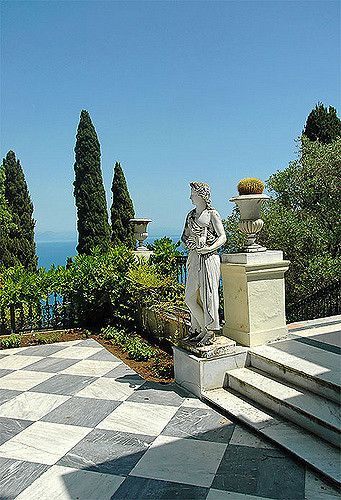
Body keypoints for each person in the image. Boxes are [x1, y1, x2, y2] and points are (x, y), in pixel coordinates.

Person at [181, 182, 226, 346]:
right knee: (190, 298)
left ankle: (209, 332)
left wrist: (208, 248)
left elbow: (222, 237)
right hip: (194, 258)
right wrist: (190, 244)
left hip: (209, 259)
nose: (190, 197)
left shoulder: (212, 214)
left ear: (201, 195)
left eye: (193, 193)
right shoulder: (190, 215)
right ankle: (200, 328)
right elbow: (184, 237)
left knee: (209, 296)